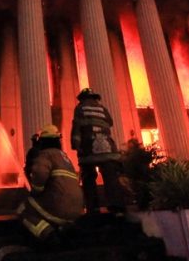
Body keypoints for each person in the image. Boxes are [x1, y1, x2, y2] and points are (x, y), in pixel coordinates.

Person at [18, 124, 83, 245]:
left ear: (42, 141)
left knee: (24, 209)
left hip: (60, 206)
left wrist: (36, 190)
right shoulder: (65, 157)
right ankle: (65, 229)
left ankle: (48, 235)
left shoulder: (45, 155)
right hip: (77, 209)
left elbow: (40, 173)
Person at [71, 87, 125, 216]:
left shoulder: (80, 109)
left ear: (82, 99)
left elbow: (77, 128)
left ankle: (92, 207)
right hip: (108, 148)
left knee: (88, 177)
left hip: (89, 148)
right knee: (110, 177)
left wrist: (76, 144)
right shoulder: (103, 109)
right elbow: (110, 123)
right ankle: (116, 206)